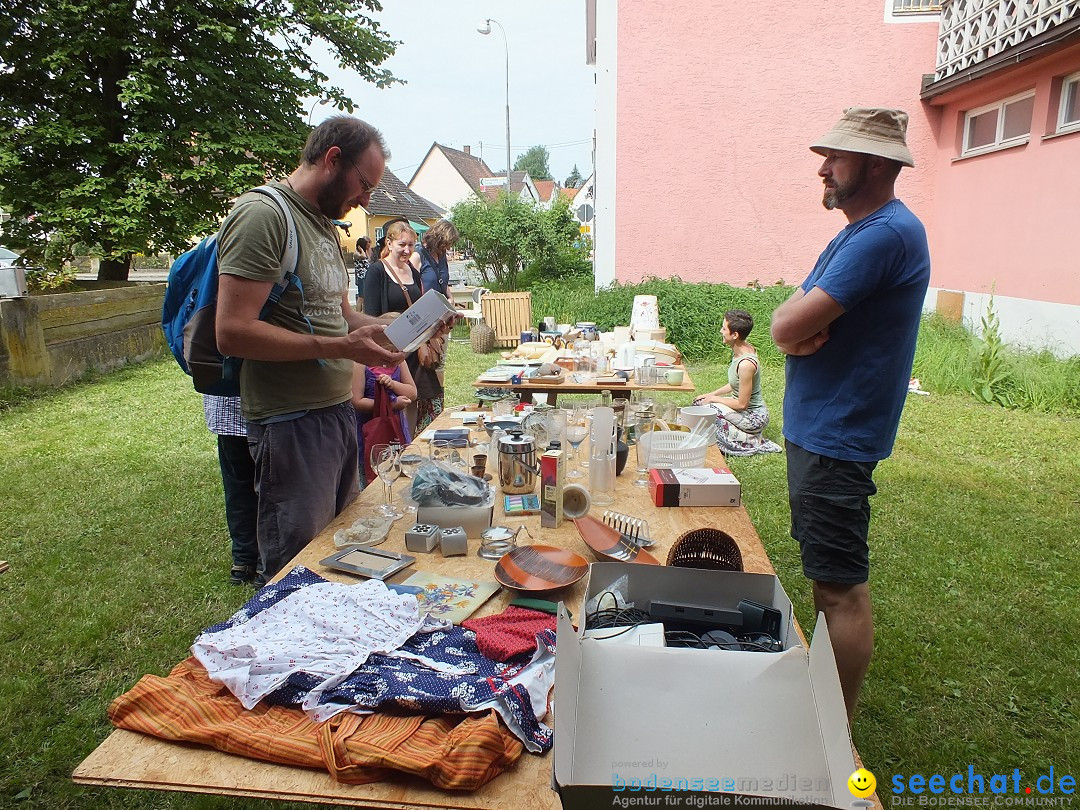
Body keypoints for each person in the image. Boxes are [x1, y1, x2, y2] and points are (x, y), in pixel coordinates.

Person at [769, 107, 931, 724]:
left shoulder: (884, 235)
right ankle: (823, 707)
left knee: (839, 587)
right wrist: (796, 330)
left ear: (878, 163)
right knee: (826, 575)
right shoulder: (858, 233)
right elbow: (792, 314)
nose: (823, 167)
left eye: (837, 156)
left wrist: (796, 332)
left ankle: (833, 730)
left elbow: (786, 324)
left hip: (838, 435)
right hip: (821, 429)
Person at [215, 115, 406, 585]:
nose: (365, 200)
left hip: (336, 414)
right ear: (331, 159)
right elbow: (232, 331)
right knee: (297, 570)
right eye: (364, 184)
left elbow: (339, 315)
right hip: (289, 422)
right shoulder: (264, 215)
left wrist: (393, 330)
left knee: (340, 559)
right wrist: (340, 344)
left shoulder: (322, 227)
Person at [363, 220, 446, 434]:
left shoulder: (412, 271)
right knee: (397, 405)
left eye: (411, 245)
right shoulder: (376, 271)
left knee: (418, 400)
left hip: (414, 348)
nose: (407, 250)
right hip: (390, 349)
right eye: (402, 245)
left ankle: (411, 447)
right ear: (389, 244)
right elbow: (370, 316)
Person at [693, 309, 780, 456]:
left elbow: (741, 404)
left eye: (724, 328)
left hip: (754, 417)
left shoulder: (746, 364)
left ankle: (749, 442)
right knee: (699, 404)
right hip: (744, 410)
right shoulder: (740, 350)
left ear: (735, 335)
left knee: (707, 411)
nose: (721, 331)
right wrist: (712, 393)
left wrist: (714, 399)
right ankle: (741, 436)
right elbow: (736, 384)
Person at [202, 395, 258, 585]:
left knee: (238, 490)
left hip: (228, 415)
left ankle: (244, 560)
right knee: (271, 489)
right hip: (264, 413)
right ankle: (259, 559)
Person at [352, 348, 417, 484]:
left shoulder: (399, 361)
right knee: (373, 473)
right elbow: (357, 401)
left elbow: (412, 393)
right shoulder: (360, 362)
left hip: (396, 429)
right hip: (371, 431)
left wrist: (393, 384)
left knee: (400, 470)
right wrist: (392, 404)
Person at [411, 219, 460, 296]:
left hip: (441, 305)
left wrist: (450, 297)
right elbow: (412, 288)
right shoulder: (417, 256)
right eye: (446, 244)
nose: (448, 248)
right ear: (437, 240)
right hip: (425, 305)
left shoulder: (442, 256)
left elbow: (442, 282)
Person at [353, 235, 370, 307]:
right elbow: (363, 257)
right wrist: (362, 250)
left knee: (366, 297)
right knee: (361, 298)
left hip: (366, 277)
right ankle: (358, 313)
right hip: (361, 277)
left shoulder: (365, 253)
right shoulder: (356, 253)